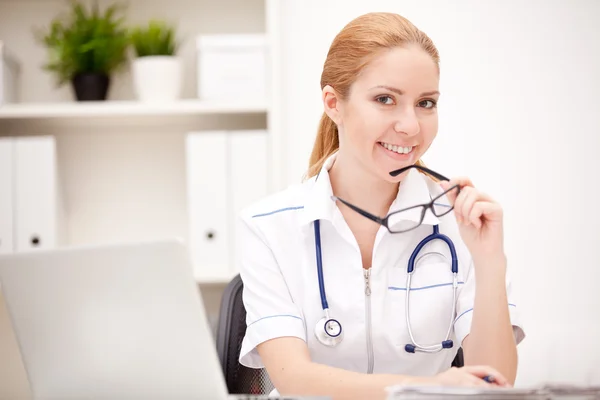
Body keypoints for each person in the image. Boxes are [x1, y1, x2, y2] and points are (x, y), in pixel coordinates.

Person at [236, 11, 525, 400]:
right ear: (333, 103)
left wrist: (490, 261)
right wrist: (430, 387)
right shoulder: (268, 227)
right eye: (385, 99)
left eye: (426, 103)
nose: (411, 126)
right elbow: (295, 380)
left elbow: (494, 382)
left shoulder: (461, 221)